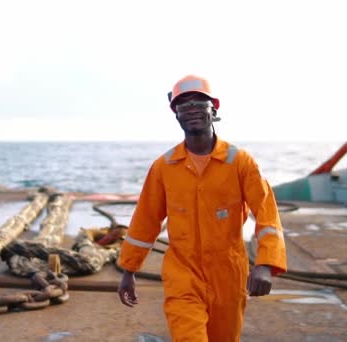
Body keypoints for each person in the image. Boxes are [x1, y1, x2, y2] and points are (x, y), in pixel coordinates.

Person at [117, 75, 287, 341]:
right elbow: (145, 221)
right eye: (184, 105)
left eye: (199, 102)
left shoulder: (240, 162)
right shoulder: (165, 167)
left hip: (228, 275)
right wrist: (129, 269)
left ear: (214, 110)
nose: (192, 109)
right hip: (182, 273)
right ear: (176, 115)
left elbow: (267, 213)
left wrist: (266, 264)